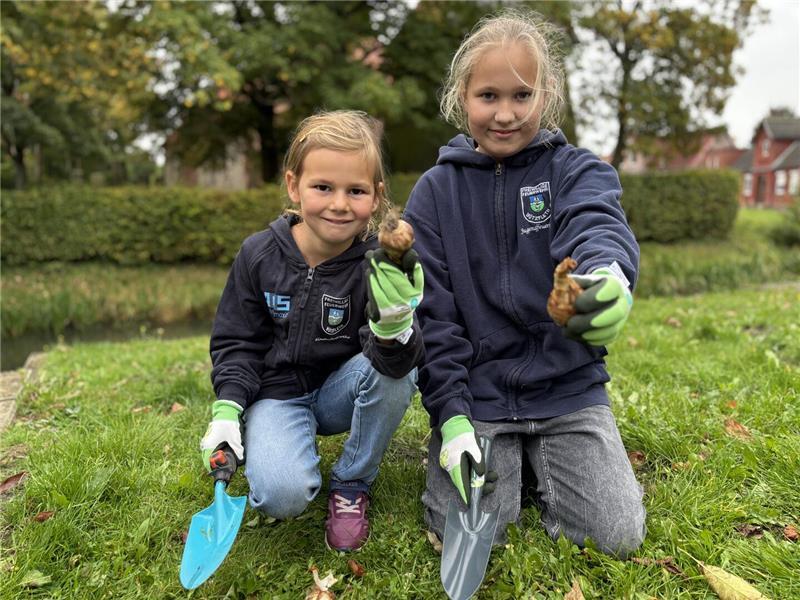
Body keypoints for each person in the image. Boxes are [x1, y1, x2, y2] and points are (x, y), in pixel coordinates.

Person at [403, 9, 646, 558]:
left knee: (616, 537)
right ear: (462, 96)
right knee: (463, 533)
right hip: (479, 397)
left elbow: (597, 225)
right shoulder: (434, 192)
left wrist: (605, 280)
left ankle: (545, 459)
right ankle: (508, 459)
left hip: (567, 388)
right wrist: (453, 417)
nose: (505, 114)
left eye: (522, 95)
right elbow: (433, 318)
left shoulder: (576, 170)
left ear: (547, 95)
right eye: (489, 96)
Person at [200, 110, 424, 552]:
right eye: (323, 187)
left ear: (376, 197)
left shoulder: (379, 264)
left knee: (401, 371)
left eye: (355, 191)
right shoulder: (258, 254)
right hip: (276, 396)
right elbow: (237, 342)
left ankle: (352, 482)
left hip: (341, 390)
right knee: (280, 497)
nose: (339, 204)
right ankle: (270, 442)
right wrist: (227, 409)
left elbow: (394, 363)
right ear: (293, 185)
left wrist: (395, 326)